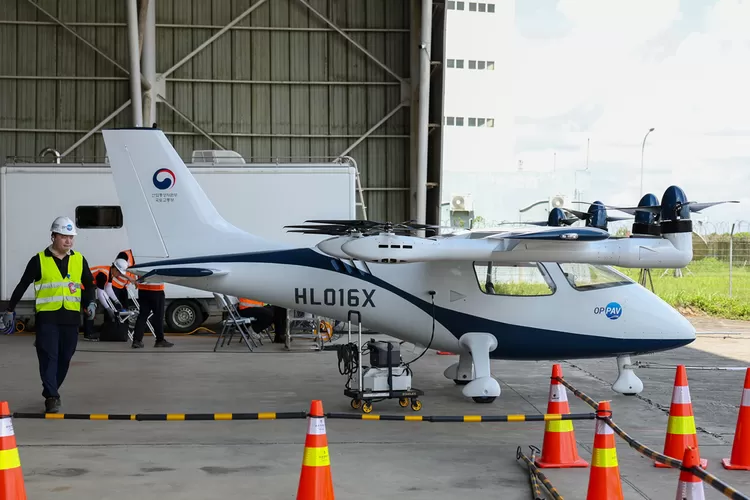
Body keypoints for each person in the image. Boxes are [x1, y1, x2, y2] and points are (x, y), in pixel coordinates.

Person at [1, 216, 97, 413]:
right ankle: (52, 396)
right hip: (47, 319)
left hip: (70, 318)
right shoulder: (38, 260)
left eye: (71, 237)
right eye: (64, 236)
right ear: (53, 236)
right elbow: (22, 285)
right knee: (49, 357)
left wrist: (91, 302)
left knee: (65, 357)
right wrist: (10, 309)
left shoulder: (79, 259)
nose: (68, 241)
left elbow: (89, 285)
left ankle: (52, 389)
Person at [132, 264, 174, 349]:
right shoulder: (159, 257)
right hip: (156, 290)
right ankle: (160, 340)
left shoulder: (140, 259)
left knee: (142, 316)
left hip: (143, 290)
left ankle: (137, 341)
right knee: (158, 316)